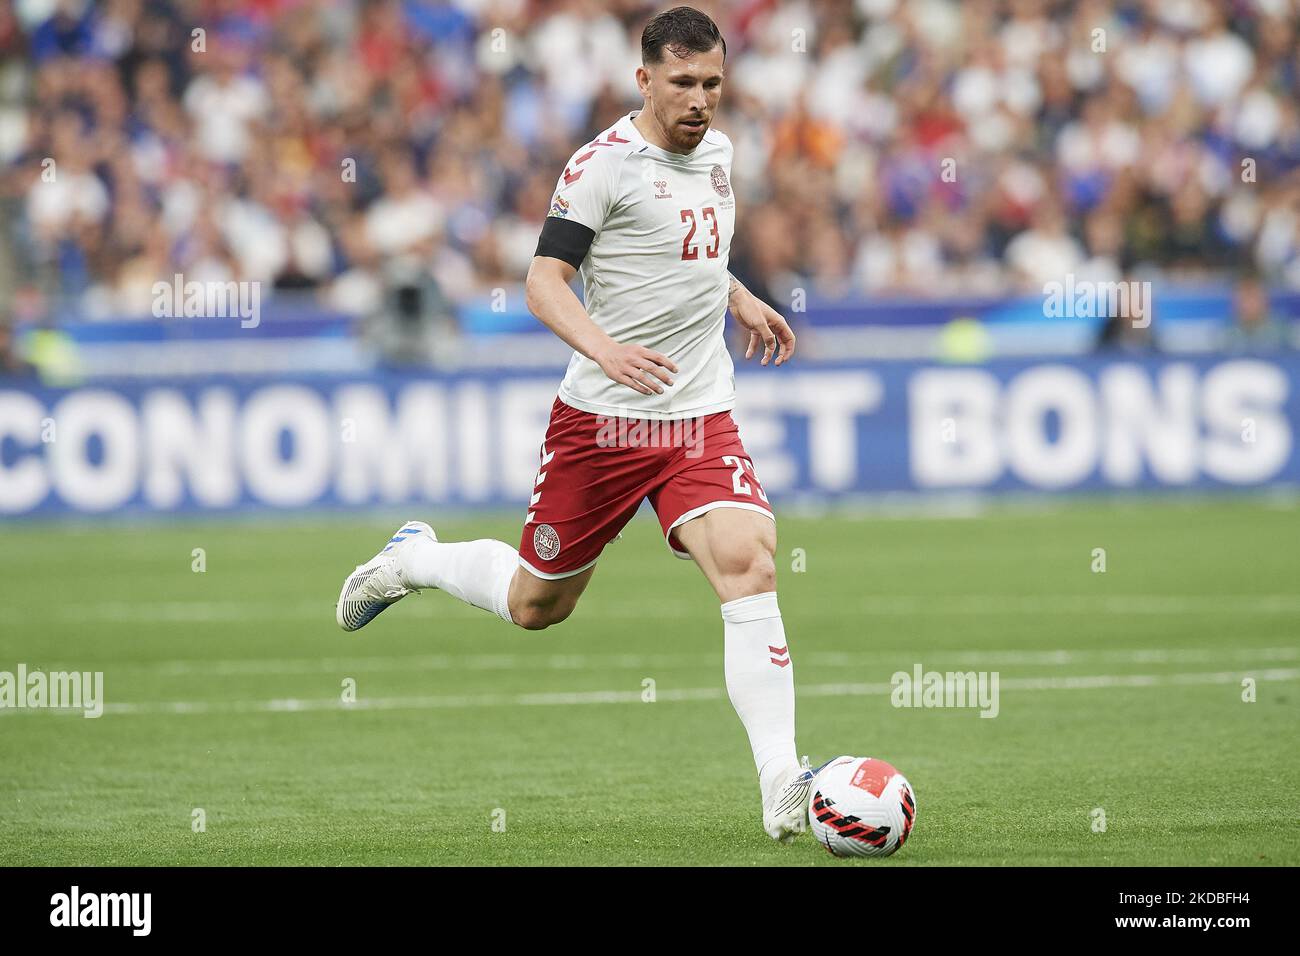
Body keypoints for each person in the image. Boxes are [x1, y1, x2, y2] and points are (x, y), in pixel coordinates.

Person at [335, 6, 817, 843]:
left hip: (699, 413)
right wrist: (607, 348)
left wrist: (739, 296)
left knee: (749, 565)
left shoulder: (722, 154)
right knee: (536, 605)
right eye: (681, 83)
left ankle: (783, 783)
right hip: (606, 424)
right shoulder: (601, 167)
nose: (700, 99)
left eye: (711, 82)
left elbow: (694, 253)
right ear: (644, 80)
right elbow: (544, 282)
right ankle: (412, 559)